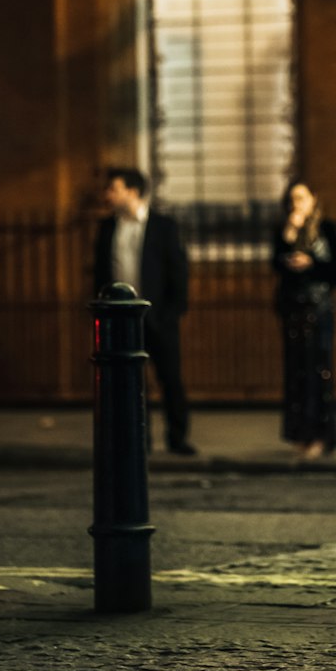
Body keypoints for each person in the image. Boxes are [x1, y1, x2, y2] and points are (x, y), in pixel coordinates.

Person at [93, 166, 194, 457]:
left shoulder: (163, 226)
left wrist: (171, 313)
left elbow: (179, 272)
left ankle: (178, 438)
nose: (108, 195)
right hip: (121, 319)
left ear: (132, 192)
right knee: (130, 383)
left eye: (114, 189)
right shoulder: (108, 227)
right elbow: (101, 272)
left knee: (170, 378)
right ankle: (140, 439)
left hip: (157, 316)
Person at [272, 180, 336, 460]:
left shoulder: (326, 230)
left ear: (314, 199)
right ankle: (300, 433)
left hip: (319, 310)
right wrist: (289, 237)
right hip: (293, 310)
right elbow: (276, 263)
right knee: (296, 373)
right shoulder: (284, 230)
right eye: (292, 199)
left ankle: (322, 435)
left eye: (301, 198)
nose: (296, 204)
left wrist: (312, 262)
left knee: (319, 372)